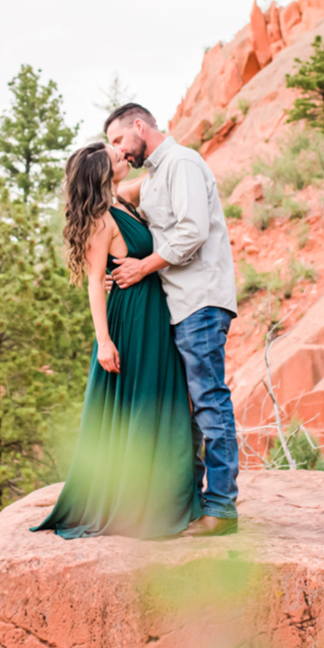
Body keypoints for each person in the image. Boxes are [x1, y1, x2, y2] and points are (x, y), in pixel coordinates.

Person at [32, 141, 202, 539]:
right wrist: (104, 341)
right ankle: (136, 502)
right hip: (132, 318)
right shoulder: (100, 220)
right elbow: (95, 282)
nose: (123, 156)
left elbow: (159, 180)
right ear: (104, 173)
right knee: (142, 401)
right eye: (115, 156)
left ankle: (167, 493)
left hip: (153, 312)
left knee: (164, 397)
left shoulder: (122, 202)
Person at [104, 102, 240, 537]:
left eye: (119, 140)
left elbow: (192, 232)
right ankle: (193, 502)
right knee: (188, 408)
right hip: (178, 303)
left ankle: (221, 508)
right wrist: (118, 272)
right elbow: (136, 227)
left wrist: (142, 269)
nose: (120, 152)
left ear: (139, 127)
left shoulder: (181, 162)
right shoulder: (156, 175)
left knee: (208, 401)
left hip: (199, 300)